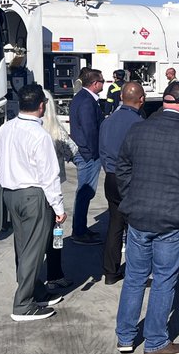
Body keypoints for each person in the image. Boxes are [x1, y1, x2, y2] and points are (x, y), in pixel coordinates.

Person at [114, 80, 179, 354]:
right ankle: (156, 341)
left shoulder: (139, 129)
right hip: (175, 218)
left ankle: (125, 336)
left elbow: (122, 168)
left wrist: (130, 199)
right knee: (163, 278)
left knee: (134, 277)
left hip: (139, 216)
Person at [0, 84, 67, 321]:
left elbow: (0, 163)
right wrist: (58, 207)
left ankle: (34, 289)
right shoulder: (40, 136)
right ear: (41, 106)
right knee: (33, 250)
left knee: (23, 246)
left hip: (10, 192)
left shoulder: (5, 129)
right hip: (32, 195)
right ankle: (23, 303)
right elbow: (49, 176)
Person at [98, 81, 146, 285]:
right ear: (141, 100)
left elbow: (101, 151)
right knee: (136, 227)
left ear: (120, 98)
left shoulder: (107, 121)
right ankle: (137, 272)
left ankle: (110, 271)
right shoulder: (140, 124)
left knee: (115, 225)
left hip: (111, 177)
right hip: (132, 179)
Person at [41, 91, 78, 291]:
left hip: (23, 191)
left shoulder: (11, 129)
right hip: (51, 191)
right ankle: (55, 275)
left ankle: (26, 279)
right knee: (55, 235)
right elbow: (73, 151)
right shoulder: (56, 130)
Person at [67, 67, 105, 244]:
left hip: (85, 152)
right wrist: (95, 154)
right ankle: (79, 231)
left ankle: (80, 228)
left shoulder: (81, 97)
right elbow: (90, 130)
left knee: (84, 193)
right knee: (85, 193)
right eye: (102, 81)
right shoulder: (87, 102)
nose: (104, 84)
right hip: (88, 154)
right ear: (95, 83)